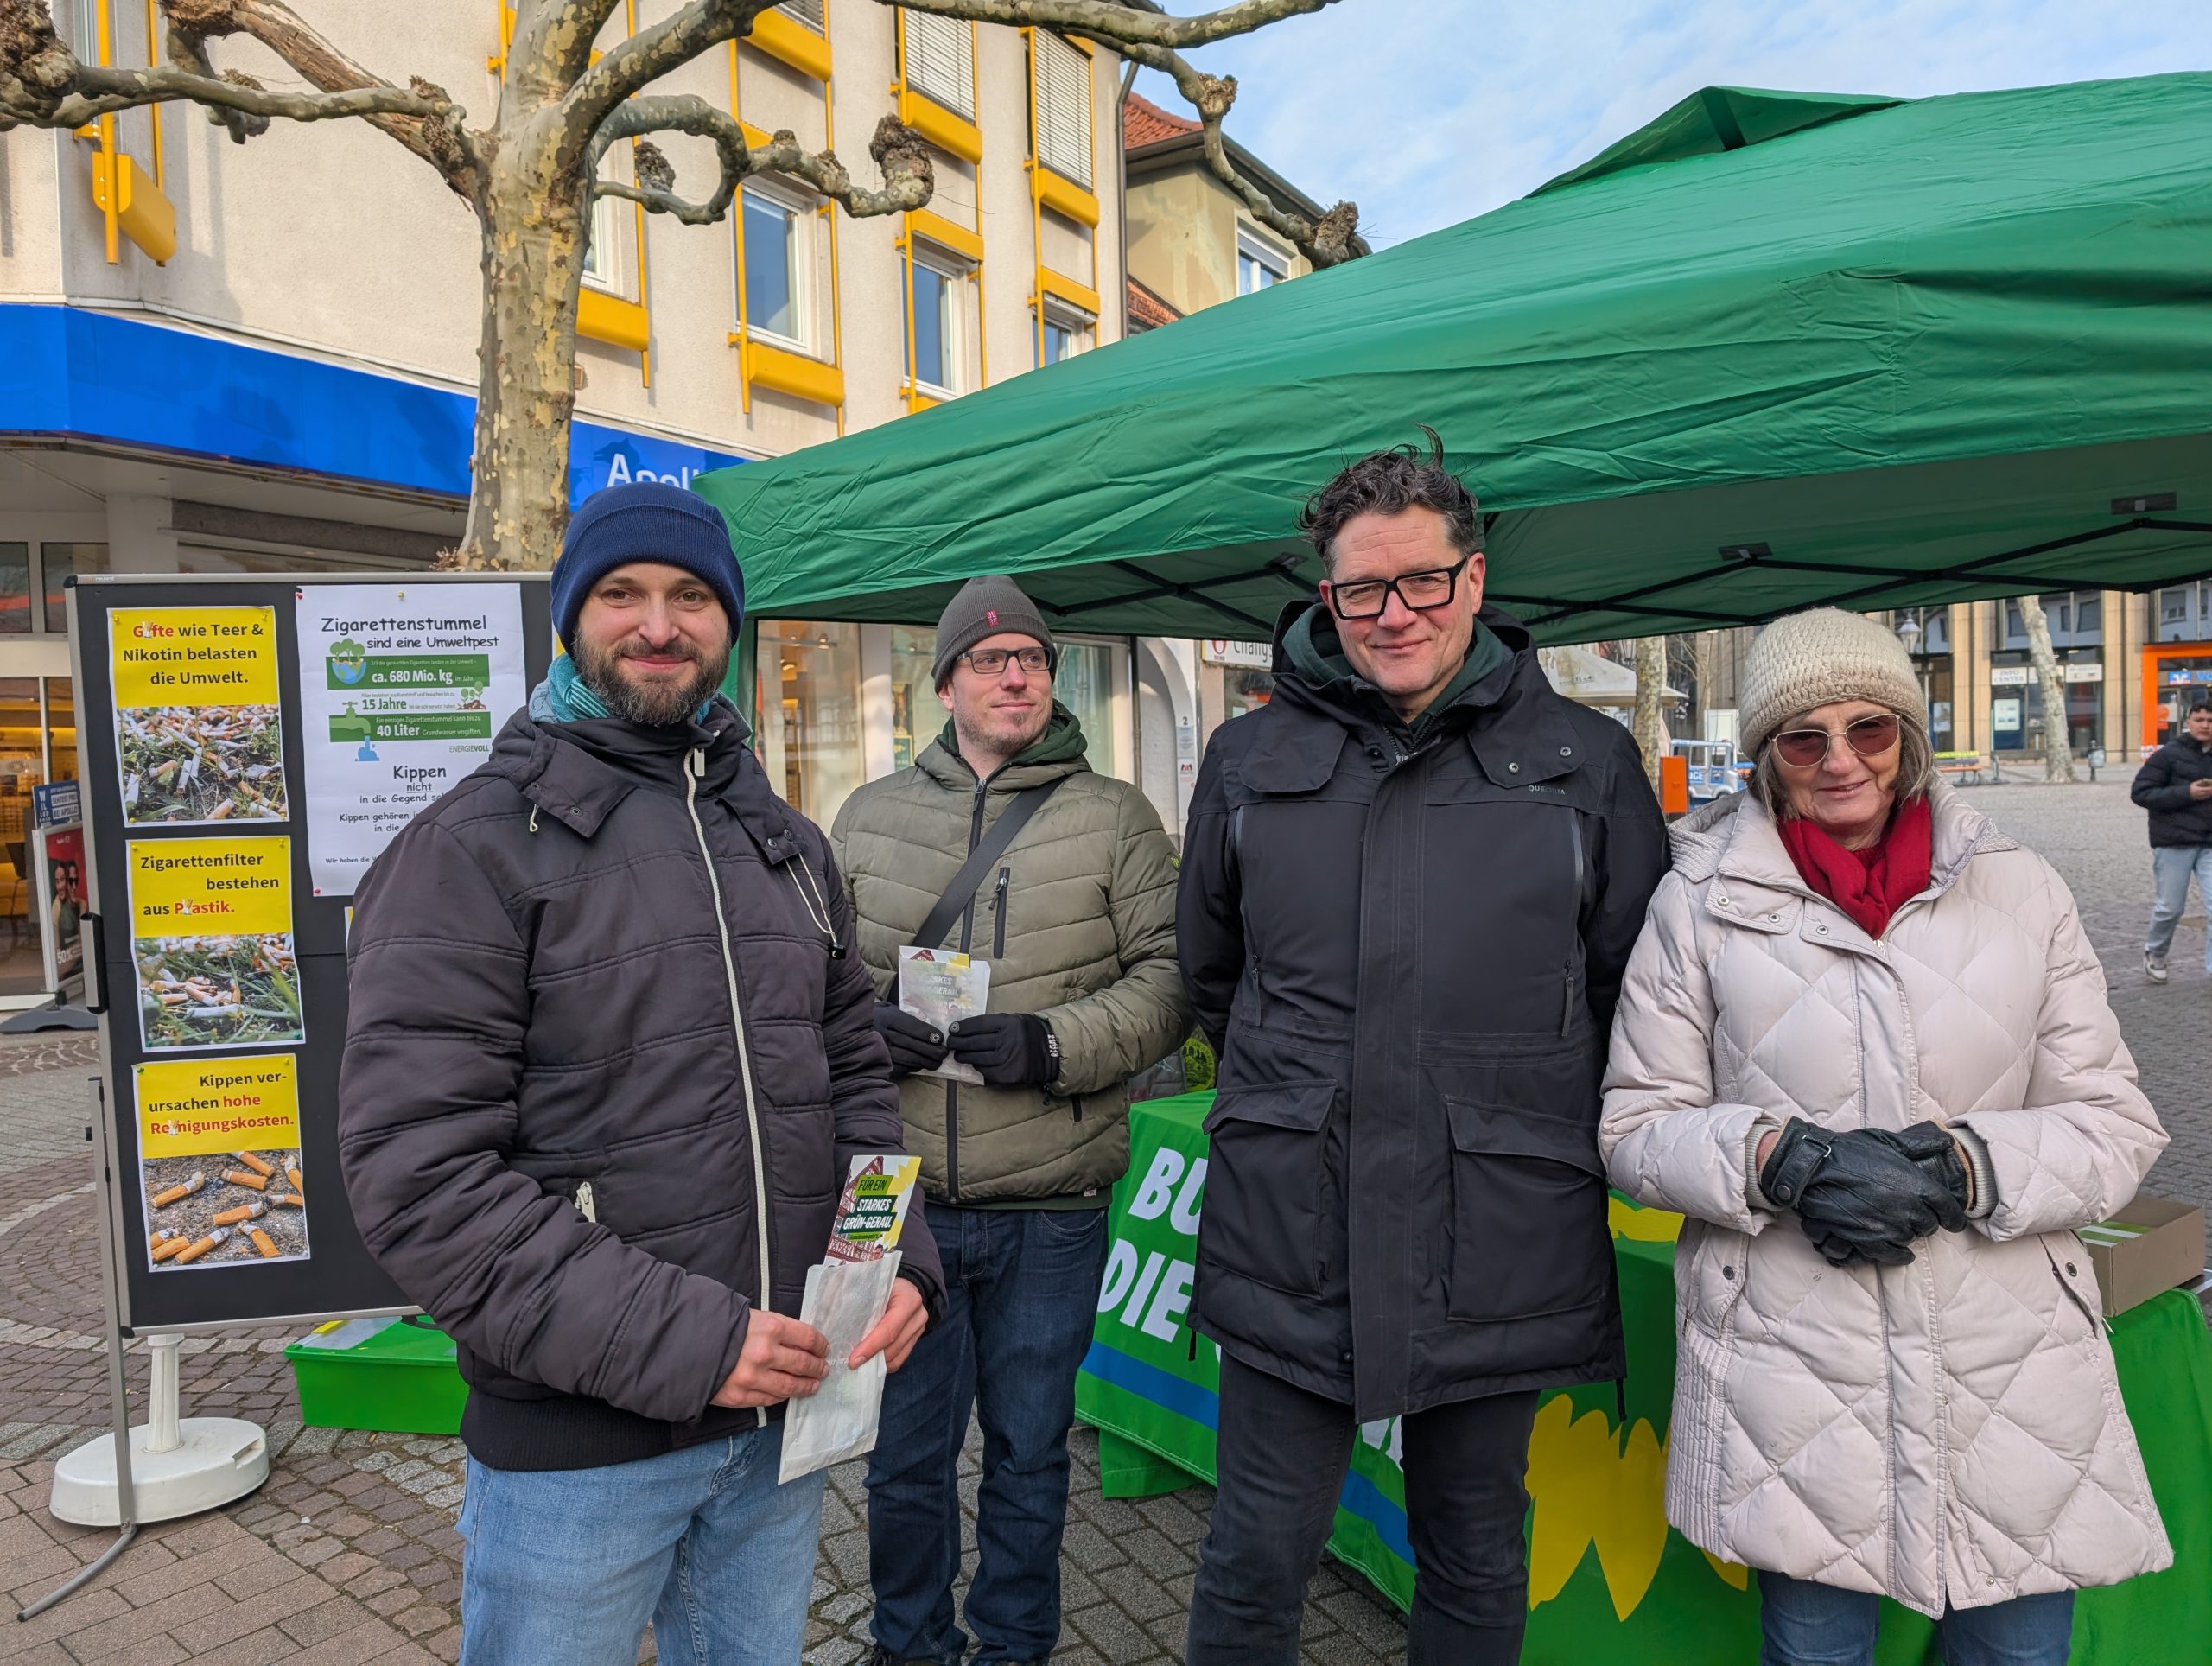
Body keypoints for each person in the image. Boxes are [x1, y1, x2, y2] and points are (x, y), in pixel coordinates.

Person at [340, 480, 941, 1666]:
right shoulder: (472, 845)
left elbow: (859, 1082)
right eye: (621, 594)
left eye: (690, 596)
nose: (658, 624)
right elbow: (419, 1176)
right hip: (582, 1451)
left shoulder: (783, 841)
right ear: (572, 622)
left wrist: (896, 1261)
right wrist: (694, 1343)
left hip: (784, 1419)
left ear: (730, 624)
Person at [1175, 435, 1668, 1663]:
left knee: (1476, 1549)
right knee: (1251, 1558)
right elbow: (1214, 975)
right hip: (1297, 1212)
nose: (1393, 615)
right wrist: (1314, 1090)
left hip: (1497, 1225)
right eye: (1361, 590)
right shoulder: (1248, 761)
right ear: (1325, 596)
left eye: (1422, 582)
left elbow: (1633, 993)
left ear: (1476, 580)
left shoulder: (1585, 764)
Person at [1601, 607, 2171, 1666]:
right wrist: (1777, 1158)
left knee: (2017, 1654)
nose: (1840, 761)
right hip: (1796, 1362)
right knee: (1816, 1654)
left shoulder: (2021, 889)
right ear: (1767, 752)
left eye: (1868, 727)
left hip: (2004, 1359)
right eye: (1803, 737)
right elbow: (1636, 1128)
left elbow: (2114, 1121)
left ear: (1907, 735)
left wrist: (1969, 1167)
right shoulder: (1696, 903)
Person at [833, 575, 1189, 1666]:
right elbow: (811, 976)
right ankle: (910, 1644)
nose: (1015, 674)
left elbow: (1173, 977)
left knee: (1031, 1452)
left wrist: (1055, 1044)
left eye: (1031, 658)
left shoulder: (1116, 816)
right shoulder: (867, 814)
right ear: (944, 683)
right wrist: (864, 1023)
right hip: (902, 1205)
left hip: (1054, 1199)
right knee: (900, 1457)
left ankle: (1015, 1644)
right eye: (988, 660)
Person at [2131, 699, 2212, 982]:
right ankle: (2155, 952)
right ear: (2188, 722)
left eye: (2210, 720)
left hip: (2209, 844)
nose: (2205, 725)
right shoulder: (2168, 755)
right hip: (2174, 841)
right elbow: (2141, 793)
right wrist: (2186, 792)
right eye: (2199, 719)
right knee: (2170, 907)